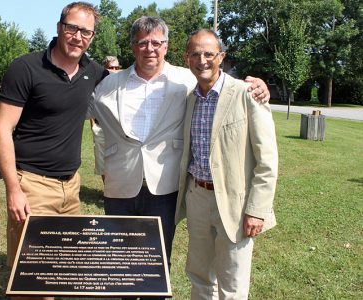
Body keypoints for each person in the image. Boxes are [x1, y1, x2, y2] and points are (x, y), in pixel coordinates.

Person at [92, 16, 270, 300]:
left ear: (167, 47)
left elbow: (265, 156)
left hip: (166, 187)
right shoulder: (110, 84)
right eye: (142, 42)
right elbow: (98, 128)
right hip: (125, 185)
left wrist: (258, 86)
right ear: (133, 46)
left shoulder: (188, 80)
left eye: (156, 42)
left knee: (159, 264)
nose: (149, 48)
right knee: (124, 262)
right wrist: (102, 166)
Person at [0, 4, 107, 300]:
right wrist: (13, 190)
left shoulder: (92, 71)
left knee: (62, 272)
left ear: (92, 37)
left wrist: (241, 84)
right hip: (32, 186)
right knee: (31, 279)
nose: (77, 36)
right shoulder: (25, 68)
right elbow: (2, 129)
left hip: (71, 188)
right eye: (71, 28)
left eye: (86, 31)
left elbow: (135, 81)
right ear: (58, 27)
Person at [175, 29, 278, 299]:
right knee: (198, 276)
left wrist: (257, 210)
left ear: (221, 56)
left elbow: (267, 160)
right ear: (187, 58)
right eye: (195, 54)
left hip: (235, 203)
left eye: (209, 53)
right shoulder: (190, 99)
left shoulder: (247, 94)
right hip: (197, 197)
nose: (202, 60)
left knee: (232, 284)